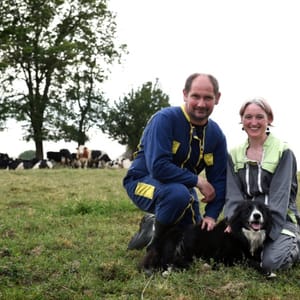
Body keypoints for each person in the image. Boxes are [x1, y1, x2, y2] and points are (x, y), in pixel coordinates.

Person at [123, 73, 227, 269]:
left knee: (194, 240)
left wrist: (212, 215)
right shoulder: (164, 119)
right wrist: (198, 181)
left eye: (208, 98)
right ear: (185, 94)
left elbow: (220, 181)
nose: (201, 103)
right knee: (177, 194)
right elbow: (158, 167)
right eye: (196, 96)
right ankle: (155, 252)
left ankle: (152, 226)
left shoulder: (217, 135)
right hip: (141, 182)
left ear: (217, 98)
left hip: (184, 193)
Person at [224, 97, 300, 277]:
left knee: (270, 262)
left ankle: (295, 241)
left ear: (269, 119)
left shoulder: (283, 151)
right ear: (242, 120)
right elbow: (233, 194)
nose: (253, 122)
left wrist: (267, 235)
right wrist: (233, 223)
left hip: (277, 219)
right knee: (228, 253)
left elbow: (280, 197)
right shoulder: (233, 154)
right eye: (248, 117)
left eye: (259, 117)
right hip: (248, 220)